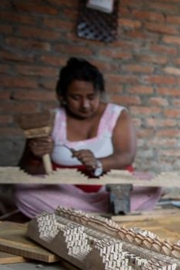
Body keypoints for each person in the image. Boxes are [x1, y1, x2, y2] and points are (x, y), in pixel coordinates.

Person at [15, 58, 160, 218]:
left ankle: (77, 217)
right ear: (62, 95)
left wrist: (98, 163)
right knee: (23, 190)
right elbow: (26, 171)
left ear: (100, 93)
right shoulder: (49, 120)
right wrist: (35, 157)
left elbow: (126, 156)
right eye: (76, 97)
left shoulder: (117, 115)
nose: (85, 105)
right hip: (67, 194)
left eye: (91, 97)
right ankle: (106, 217)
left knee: (151, 185)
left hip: (110, 190)